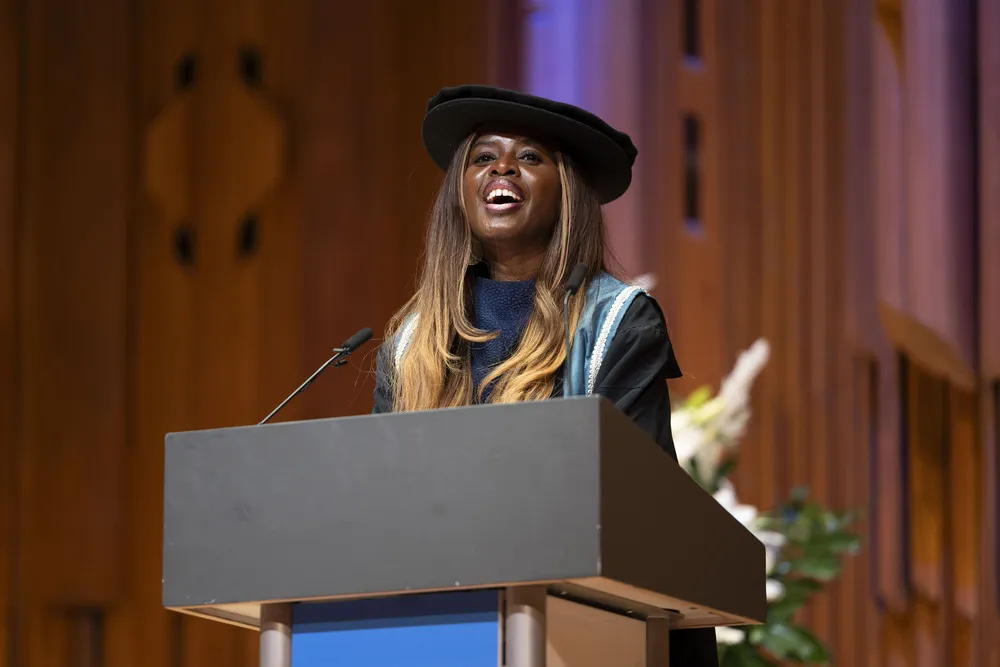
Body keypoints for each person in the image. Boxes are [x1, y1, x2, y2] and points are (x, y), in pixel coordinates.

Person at [372, 84, 719, 666]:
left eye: (529, 157)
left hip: (582, 627)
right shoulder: (411, 342)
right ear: (460, 190)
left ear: (568, 192)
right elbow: (377, 500)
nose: (502, 168)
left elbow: (638, 505)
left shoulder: (615, 324)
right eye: (483, 157)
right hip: (435, 626)